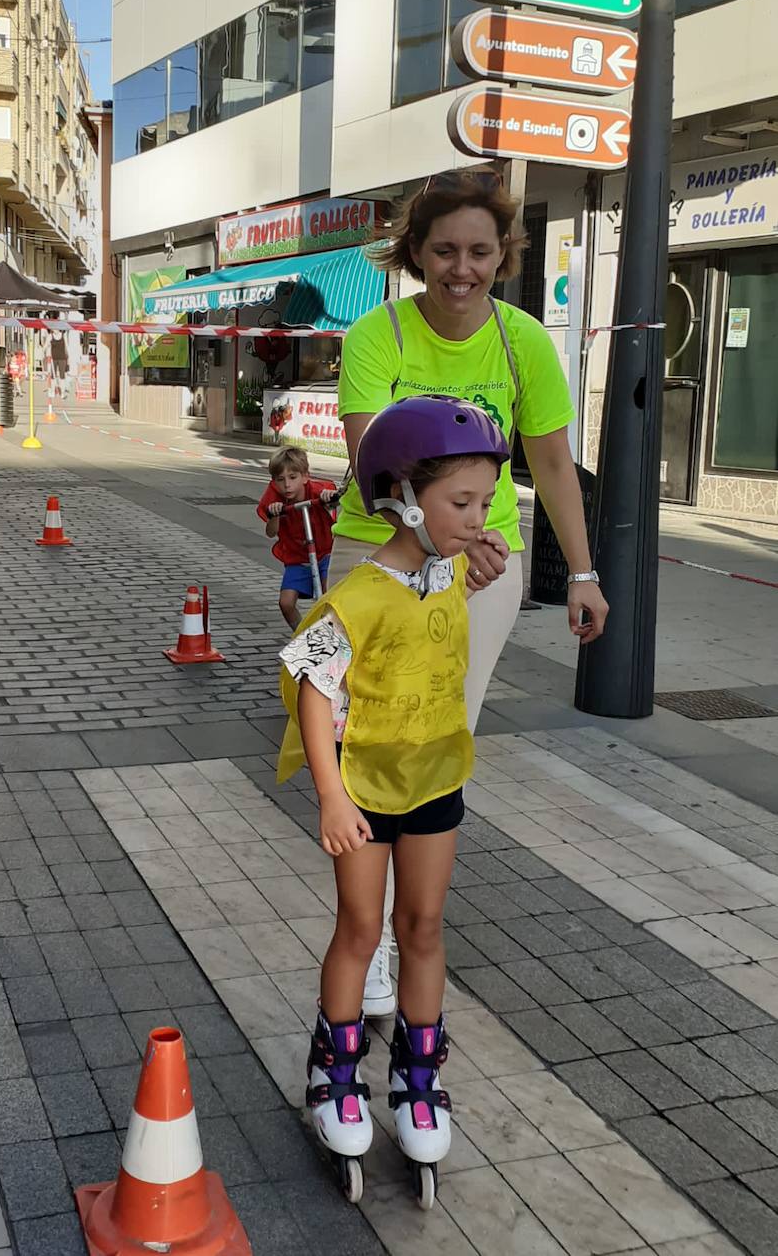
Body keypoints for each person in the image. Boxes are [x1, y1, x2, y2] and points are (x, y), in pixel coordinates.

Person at [331, 168, 610, 1019]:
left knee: (438, 739)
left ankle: (409, 922)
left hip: (485, 562)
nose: (462, 267)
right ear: (415, 253)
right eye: (444, 249)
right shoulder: (377, 335)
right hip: (376, 548)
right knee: (364, 739)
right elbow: (371, 461)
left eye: (479, 251)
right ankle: (366, 933)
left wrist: (584, 572)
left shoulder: (523, 340)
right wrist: (437, 548)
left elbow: (552, 463)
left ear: (503, 255)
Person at [278, 395, 509, 1205]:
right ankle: (334, 1070)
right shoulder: (360, 595)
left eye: (485, 502)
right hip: (367, 791)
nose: (478, 519)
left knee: (424, 927)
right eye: (461, 504)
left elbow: (468, 577)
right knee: (360, 927)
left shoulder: (447, 570)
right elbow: (312, 686)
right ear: (403, 496)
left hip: (436, 784)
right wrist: (331, 797)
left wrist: (483, 554)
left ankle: (417, 1076)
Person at [257, 447, 338, 628]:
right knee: (285, 603)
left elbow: (332, 504)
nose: (286, 485)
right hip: (297, 559)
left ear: (305, 476)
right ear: (273, 482)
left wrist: (328, 500)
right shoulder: (274, 498)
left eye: (293, 478)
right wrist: (275, 514)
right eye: (280, 480)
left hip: (324, 554)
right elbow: (270, 532)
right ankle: (301, 635)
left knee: (328, 596)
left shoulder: (317, 491)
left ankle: (332, 634)